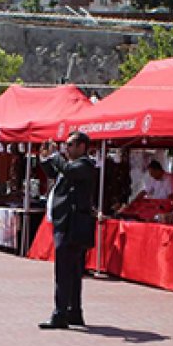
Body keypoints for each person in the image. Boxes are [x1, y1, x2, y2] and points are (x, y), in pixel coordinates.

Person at [38, 131, 97, 330]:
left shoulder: (85, 165)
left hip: (73, 224)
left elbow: (69, 170)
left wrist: (56, 157)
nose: (67, 148)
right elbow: (54, 172)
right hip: (65, 222)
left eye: (70, 145)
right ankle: (74, 312)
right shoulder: (71, 166)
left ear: (82, 146)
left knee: (65, 270)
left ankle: (60, 313)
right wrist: (46, 157)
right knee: (72, 270)